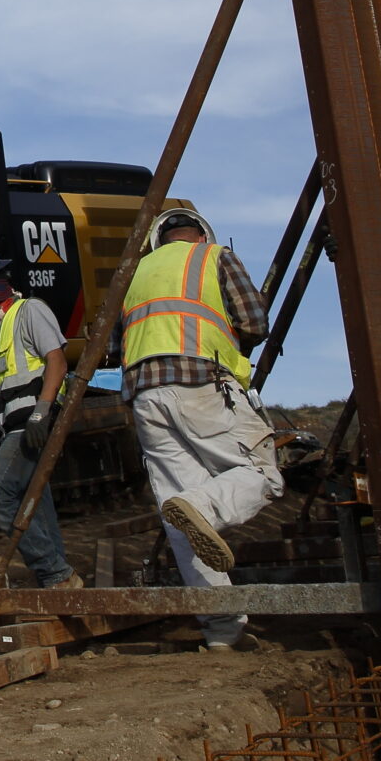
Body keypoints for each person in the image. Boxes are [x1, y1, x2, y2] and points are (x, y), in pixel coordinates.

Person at [121, 207, 279, 652]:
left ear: (159, 241)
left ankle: (222, 630)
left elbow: (117, 344)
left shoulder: (135, 274)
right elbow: (255, 323)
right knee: (263, 474)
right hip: (199, 382)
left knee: (179, 515)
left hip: (143, 395)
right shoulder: (214, 257)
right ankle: (203, 508)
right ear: (200, 235)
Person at [0, 248, 75, 588]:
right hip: (16, 426)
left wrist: (42, 413)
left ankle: (55, 573)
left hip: (31, 424)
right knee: (34, 501)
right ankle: (60, 581)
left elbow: (57, 362)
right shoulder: (0, 332)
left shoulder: (30, 311)